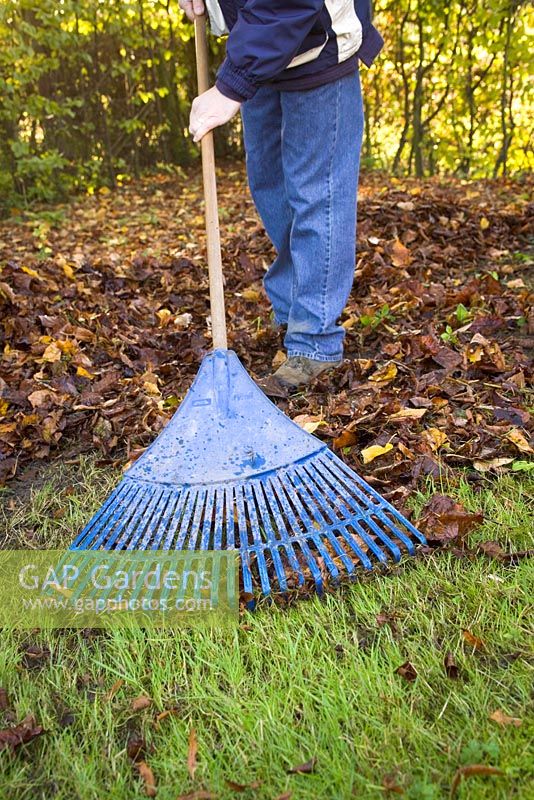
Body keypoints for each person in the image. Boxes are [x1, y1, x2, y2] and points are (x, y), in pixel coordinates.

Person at [180, 0, 383, 389]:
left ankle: (313, 343)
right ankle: (295, 311)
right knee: (271, 189)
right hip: (262, 57)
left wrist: (230, 85)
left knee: (317, 197)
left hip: (316, 53)